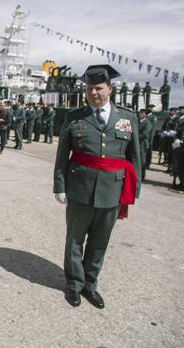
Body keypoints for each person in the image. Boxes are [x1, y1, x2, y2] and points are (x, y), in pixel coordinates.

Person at [53, 64, 141, 309]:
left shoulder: (127, 118)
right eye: (90, 89)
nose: (94, 93)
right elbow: (62, 156)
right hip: (79, 188)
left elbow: (135, 157)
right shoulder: (74, 118)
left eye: (99, 88)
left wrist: (135, 188)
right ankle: (74, 284)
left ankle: (90, 285)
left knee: (100, 241)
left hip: (113, 189)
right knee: (74, 240)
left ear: (110, 88)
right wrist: (59, 186)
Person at [137, 109, 153, 180]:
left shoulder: (147, 122)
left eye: (142, 113)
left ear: (145, 115)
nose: (140, 114)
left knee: (142, 160)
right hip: (137, 142)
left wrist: (135, 137)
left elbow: (145, 133)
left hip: (142, 143)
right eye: (140, 113)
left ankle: (142, 176)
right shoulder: (137, 121)